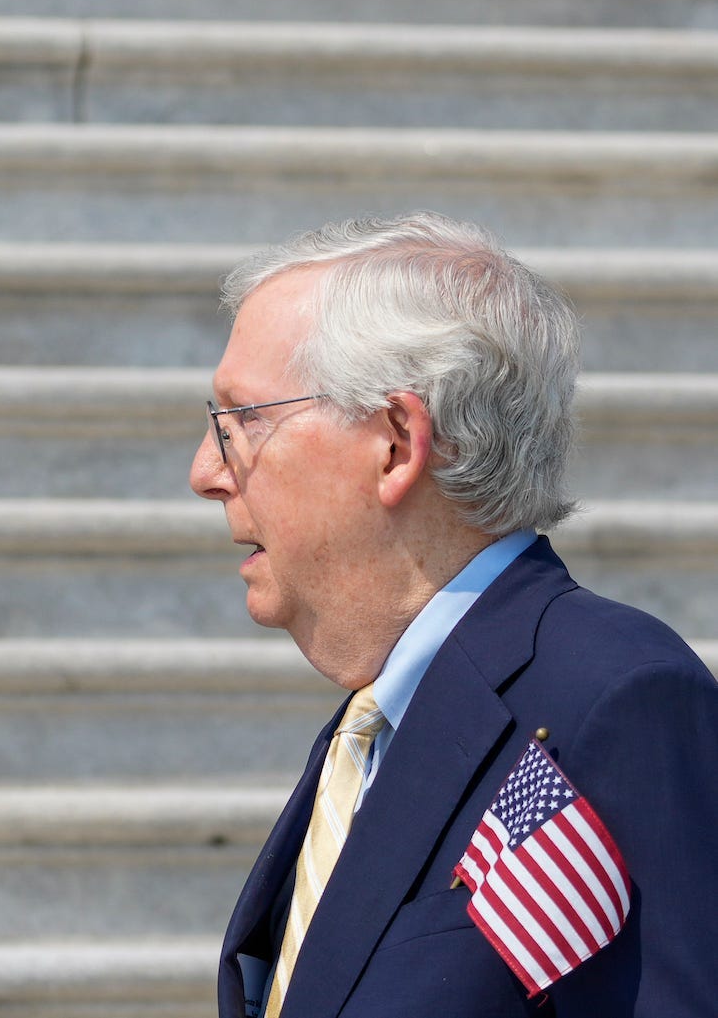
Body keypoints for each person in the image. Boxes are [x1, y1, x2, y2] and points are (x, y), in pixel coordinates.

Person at [192, 214, 718, 1017]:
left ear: (397, 442)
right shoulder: (374, 720)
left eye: (242, 423)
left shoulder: (616, 700)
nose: (207, 472)